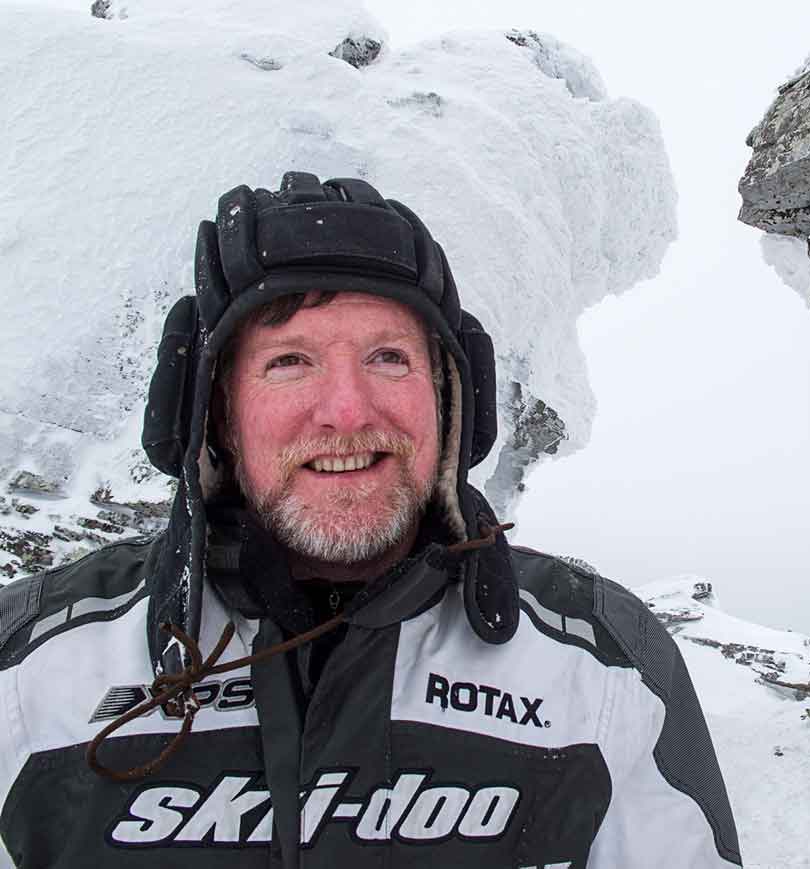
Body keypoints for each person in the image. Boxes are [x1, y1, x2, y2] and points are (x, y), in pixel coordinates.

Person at [0, 173, 741, 868]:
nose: (349, 410)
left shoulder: (602, 667)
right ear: (217, 412)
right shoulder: (30, 673)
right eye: (289, 361)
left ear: (449, 399)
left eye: (389, 357)